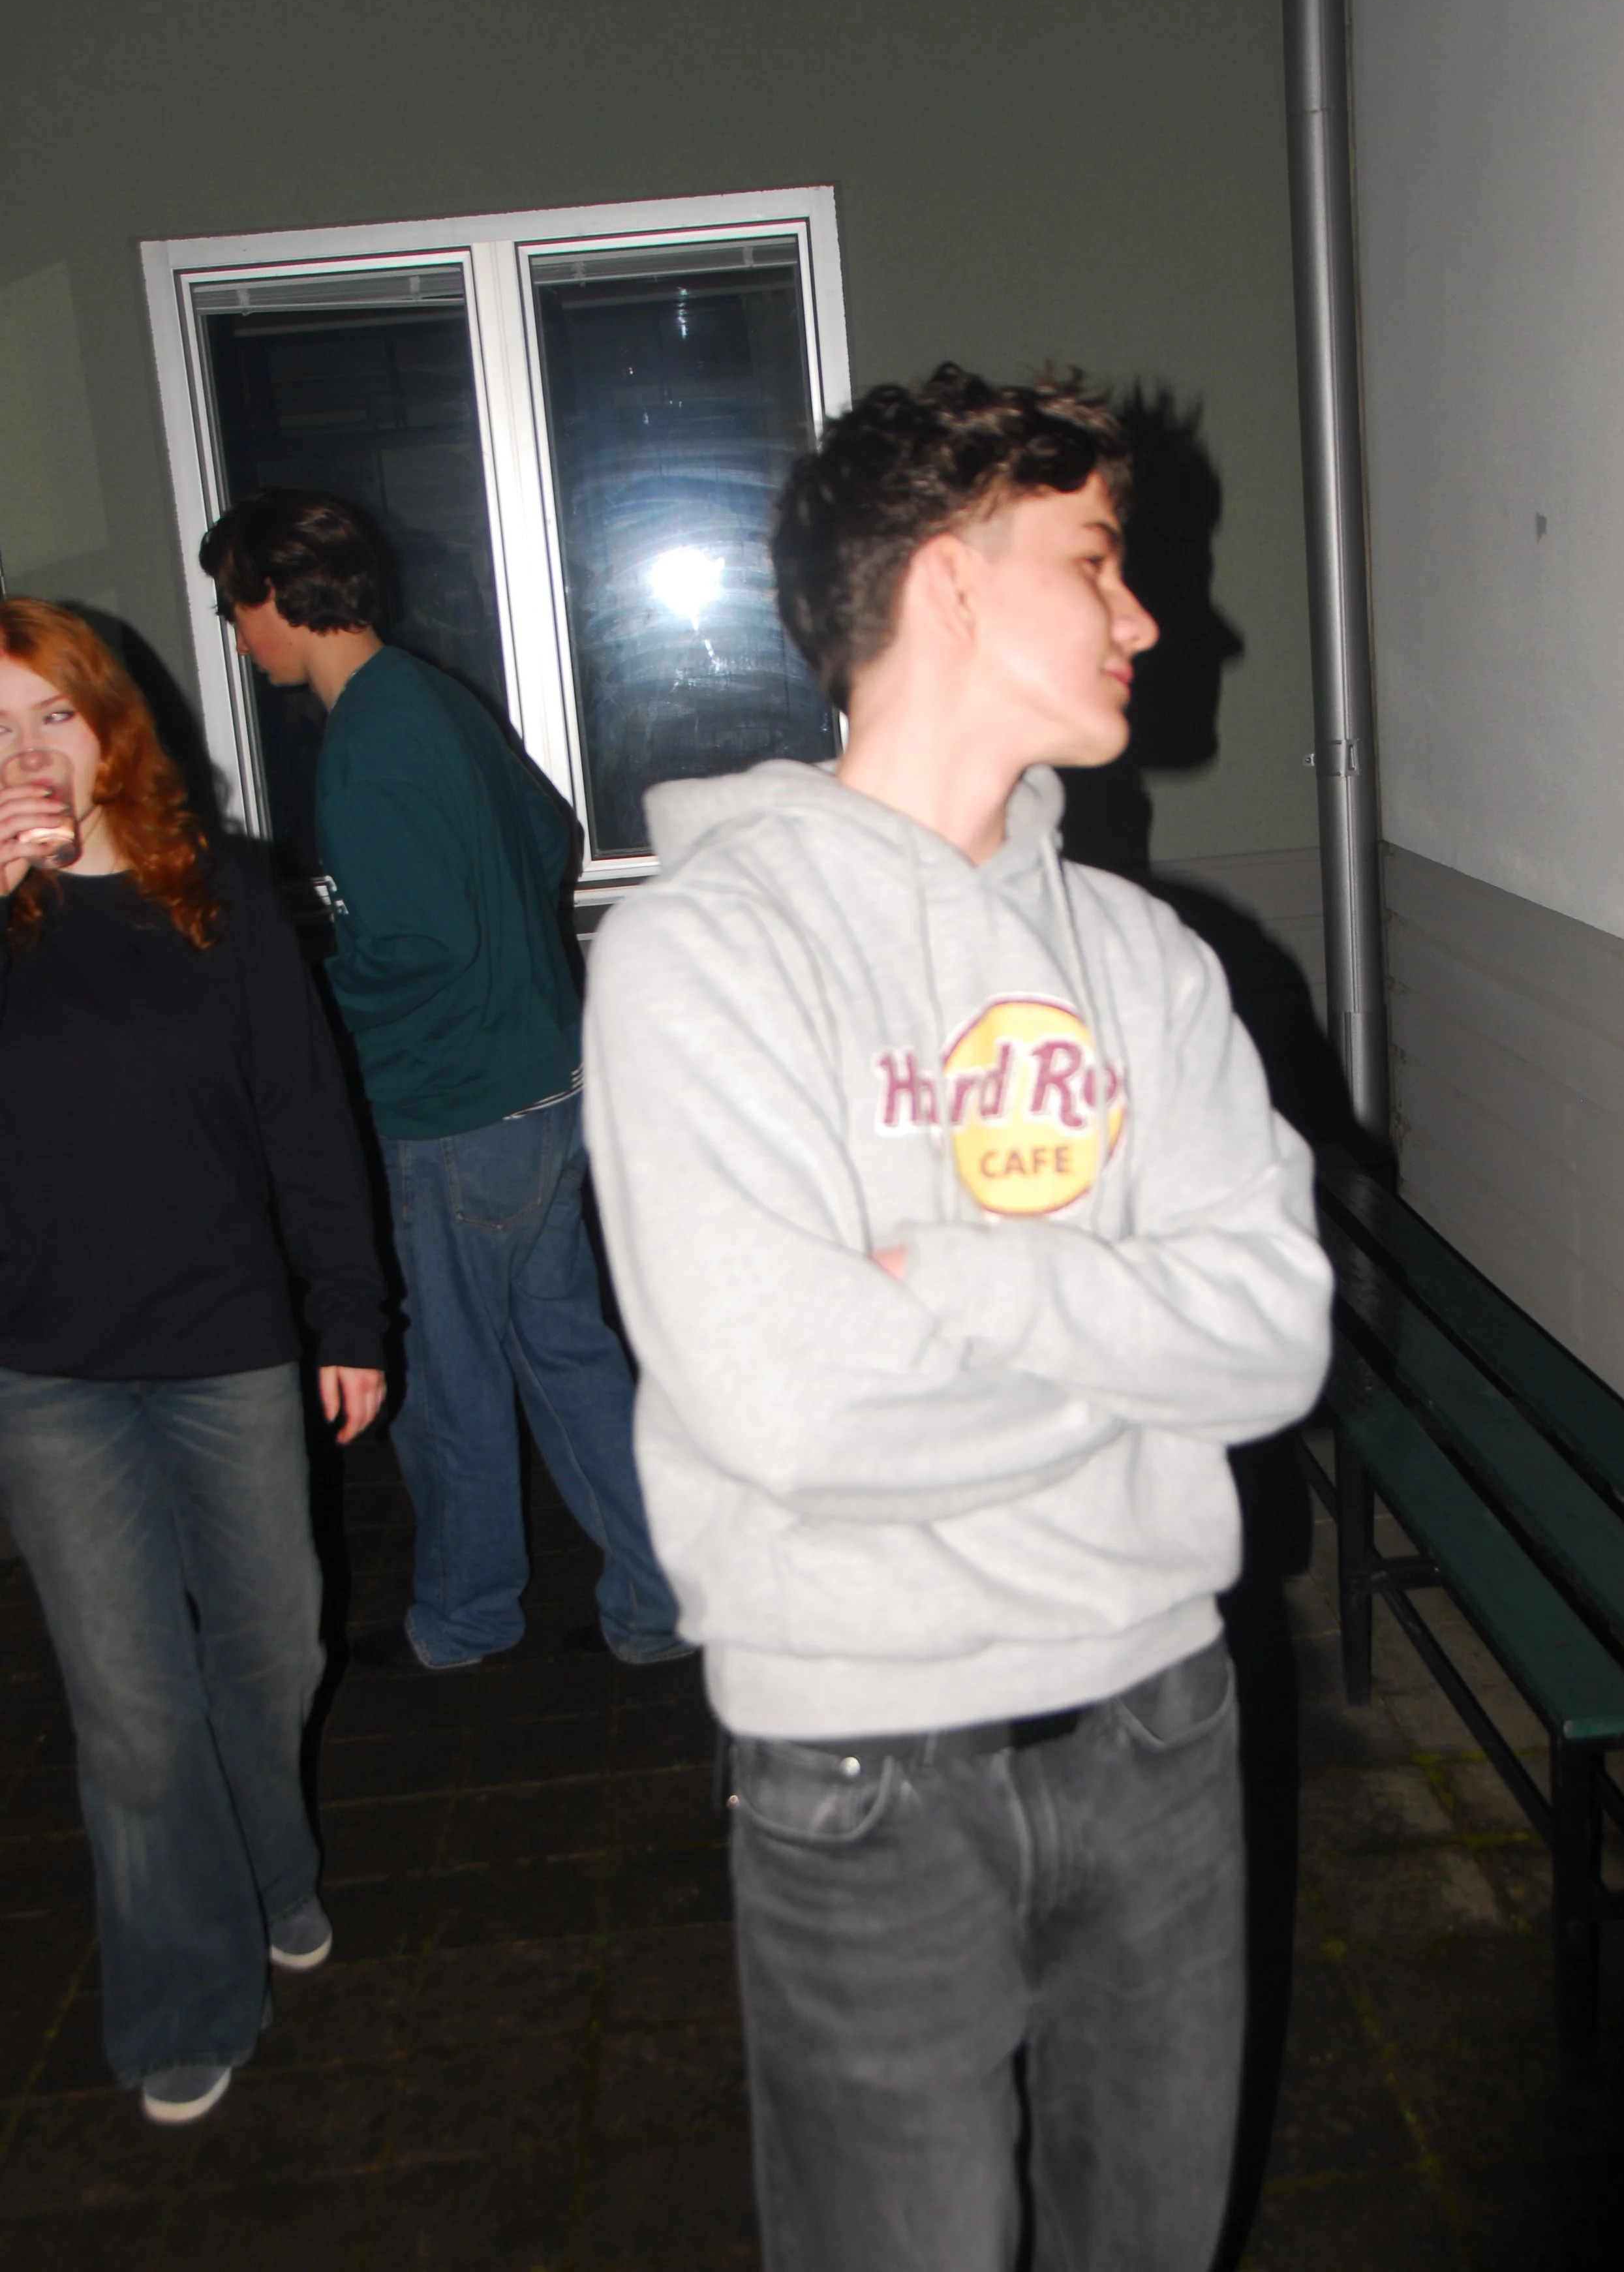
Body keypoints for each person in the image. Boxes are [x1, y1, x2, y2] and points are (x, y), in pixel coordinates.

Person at [581, 366, 1334, 2271]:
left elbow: (1272, 1337)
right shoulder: (702, 951)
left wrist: (973, 1280)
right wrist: (1138, 1366)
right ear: (946, 579)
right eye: (1096, 560)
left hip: (1164, 1726)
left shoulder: (1149, 961)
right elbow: (791, 1403)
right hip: (864, 1771)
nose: (1145, 617)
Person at [0, 599, 387, 2126]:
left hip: (228, 1341)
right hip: (47, 1370)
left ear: (110, 720)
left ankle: (270, 1865)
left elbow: (305, 1116)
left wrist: (348, 1317)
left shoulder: (217, 892)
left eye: (49, 714)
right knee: (133, 1712)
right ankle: (181, 1991)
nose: (28, 752)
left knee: (274, 1654)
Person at [198, 491, 686, 1671]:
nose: (236, 636)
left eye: (234, 607)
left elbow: (423, 946)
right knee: (567, 1355)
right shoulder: (429, 696)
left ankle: (467, 1618)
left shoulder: (368, 741)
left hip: (454, 1115)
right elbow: (549, 831)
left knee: (446, 1386)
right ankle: (662, 1600)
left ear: (278, 597)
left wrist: (305, 1010)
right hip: (545, 1085)